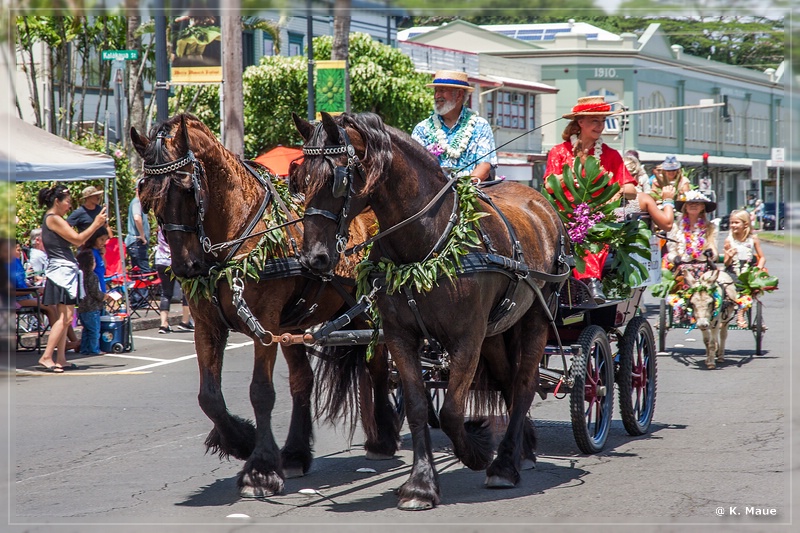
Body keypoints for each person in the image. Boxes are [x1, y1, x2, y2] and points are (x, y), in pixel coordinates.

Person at [544, 95, 638, 303]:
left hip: (596, 218)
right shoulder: (559, 152)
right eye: (595, 120)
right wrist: (574, 172)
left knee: (592, 236)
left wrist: (613, 191)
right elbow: (549, 186)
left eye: (603, 121)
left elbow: (631, 189)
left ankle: (590, 283)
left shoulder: (610, 155)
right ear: (581, 122)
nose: (600, 126)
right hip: (563, 217)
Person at [37, 184, 107, 372]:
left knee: (65, 317)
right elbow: (78, 239)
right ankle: (46, 356)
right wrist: (96, 224)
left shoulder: (55, 219)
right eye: (67, 201)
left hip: (63, 270)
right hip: (61, 272)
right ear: (57, 202)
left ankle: (60, 358)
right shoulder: (54, 219)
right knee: (65, 317)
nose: (69, 205)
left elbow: (76, 239)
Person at [411, 70, 497, 183]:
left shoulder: (480, 126)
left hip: (469, 194)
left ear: (459, 95)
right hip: (432, 196)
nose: (437, 96)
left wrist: (462, 189)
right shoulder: (422, 129)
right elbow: (414, 168)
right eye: (436, 91)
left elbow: (484, 167)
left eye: (442, 91)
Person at [722, 209, 766, 328]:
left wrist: (758, 269)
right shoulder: (729, 240)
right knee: (725, 287)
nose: (733, 225)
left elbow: (762, 257)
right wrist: (730, 257)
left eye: (736, 223)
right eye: (732, 223)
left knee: (750, 288)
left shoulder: (753, 239)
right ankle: (724, 313)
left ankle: (741, 314)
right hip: (733, 270)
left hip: (748, 270)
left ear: (745, 224)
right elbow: (726, 263)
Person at [664, 190, 718, 284]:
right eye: (690, 203)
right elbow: (670, 252)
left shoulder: (711, 228)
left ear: (702, 207)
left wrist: (711, 254)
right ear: (685, 207)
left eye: (697, 203)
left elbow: (714, 253)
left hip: (704, 273)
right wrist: (675, 258)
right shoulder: (675, 228)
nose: (693, 205)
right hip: (682, 272)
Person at [154, 228, 194, 334]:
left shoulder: (160, 229)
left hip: (161, 261)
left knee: (166, 293)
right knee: (186, 290)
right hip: (175, 261)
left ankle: (163, 324)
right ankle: (185, 321)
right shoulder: (175, 228)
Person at [76, 249, 112, 355]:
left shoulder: (80, 276)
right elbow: (95, 292)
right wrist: (104, 296)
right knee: (94, 330)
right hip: (92, 307)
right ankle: (94, 349)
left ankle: (84, 348)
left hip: (82, 307)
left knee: (86, 330)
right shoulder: (92, 276)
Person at [125, 187, 151, 272]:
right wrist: (142, 235)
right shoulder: (137, 202)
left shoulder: (138, 202)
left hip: (135, 244)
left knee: (138, 274)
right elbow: (137, 218)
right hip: (137, 242)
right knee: (144, 273)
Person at [83, 227, 110, 292]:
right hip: (95, 288)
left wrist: (102, 255)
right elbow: (89, 272)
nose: (103, 242)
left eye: (105, 240)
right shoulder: (91, 252)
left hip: (101, 284)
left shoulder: (99, 252)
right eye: (101, 239)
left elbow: (104, 266)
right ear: (94, 238)